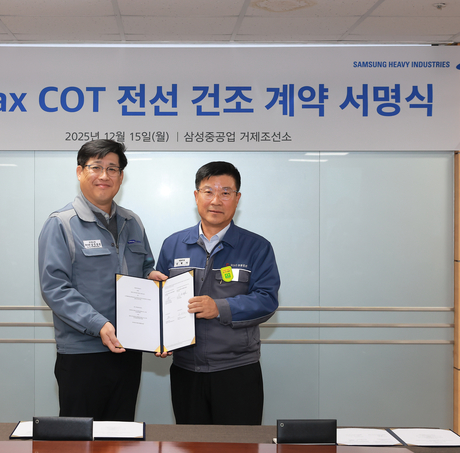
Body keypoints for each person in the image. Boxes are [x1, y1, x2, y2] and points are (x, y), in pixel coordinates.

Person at [38, 139, 166, 421]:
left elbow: (145, 266)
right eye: (96, 167)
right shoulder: (61, 223)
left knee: (121, 433)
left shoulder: (132, 222)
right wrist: (99, 324)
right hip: (82, 353)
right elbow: (55, 288)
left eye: (112, 168)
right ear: (80, 172)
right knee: (80, 437)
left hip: (128, 349)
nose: (104, 175)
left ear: (121, 176)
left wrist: (150, 276)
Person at [156, 161, 280, 425]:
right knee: (191, 443)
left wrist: (220, 308)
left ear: (237, 198)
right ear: (196, 196)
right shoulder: (173, 245)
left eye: (225, 193)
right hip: (186, 370)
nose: (216, 200)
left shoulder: (256, 247)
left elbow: (267, 300)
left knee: (239, 443)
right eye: (208, 191)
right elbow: (161, 301)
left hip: (237, 370)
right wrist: (160, 338)